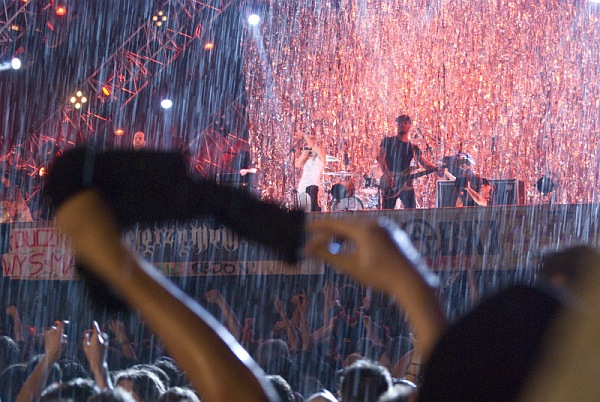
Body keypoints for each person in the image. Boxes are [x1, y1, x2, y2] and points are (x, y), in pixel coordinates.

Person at [377, 115, 441, 209]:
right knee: (387, 213)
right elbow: (380, 158)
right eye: (400, 122)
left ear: (409, 125)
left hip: (406, 183)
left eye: (405, 122)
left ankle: (411, 223)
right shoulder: (388, 141)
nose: (402, 125)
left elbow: (425, 163)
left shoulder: (413, 147)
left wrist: (437, 168)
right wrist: (387, 174)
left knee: (412, 211)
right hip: (391, 181)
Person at [295, 132, 326, 212]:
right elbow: (297, 164)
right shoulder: (306, 159)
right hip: (303, 184)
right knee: (303, 208)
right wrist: (304, 154)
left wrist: (304, 135)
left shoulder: (321, 155)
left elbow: (313, 146)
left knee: (312, 208)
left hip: (314, 185)